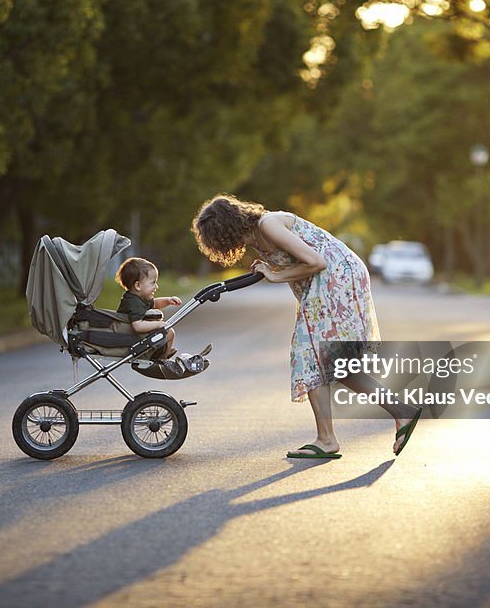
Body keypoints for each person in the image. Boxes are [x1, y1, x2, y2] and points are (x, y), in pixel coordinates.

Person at [191, 194, 422, 458]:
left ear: (227, 230)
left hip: (337, 278)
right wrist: (270, 267)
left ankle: (327, 439)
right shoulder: (257, 236)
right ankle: (400, 412)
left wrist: (275, 275)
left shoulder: (268, 225)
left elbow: (316, 262)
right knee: (331, 363)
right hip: (329, 281)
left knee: (310, 355)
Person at [115, 257, 211, 375]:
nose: (156, 287)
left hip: (135, 336)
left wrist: (168, 300)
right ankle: (163, 359)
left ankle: (162, 352)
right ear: (138, 285)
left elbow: (155, 303)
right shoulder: (133, 303)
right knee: (168, 332)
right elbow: (137, 326)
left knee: (168, 332)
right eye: (153, 283)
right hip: (132, 338)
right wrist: (159, 324)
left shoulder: (138, 297)